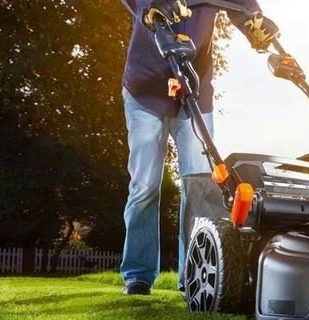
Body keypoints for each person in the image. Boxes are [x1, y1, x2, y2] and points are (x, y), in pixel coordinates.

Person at [119, 0, 279, 295]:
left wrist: (255, 21)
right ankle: (138, 274)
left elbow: (241, 4)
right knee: (145, 185)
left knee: (200, 187)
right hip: (145, 89)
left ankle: (193, 275)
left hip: (194, 89)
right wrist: (150, 6)